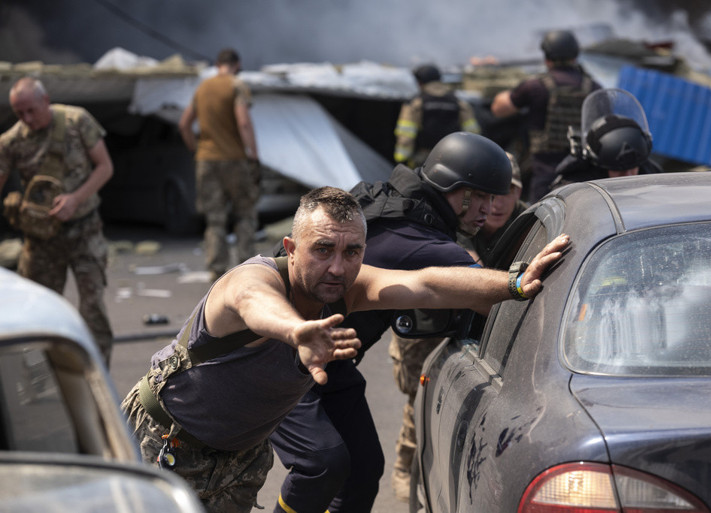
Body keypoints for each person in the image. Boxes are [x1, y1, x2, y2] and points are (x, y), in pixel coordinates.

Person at [121, 185, 569, 513]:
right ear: (291, 248)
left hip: (239, 461)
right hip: (165, 444)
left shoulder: (346, 288)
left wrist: (512, 283)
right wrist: (297, 332)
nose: (338, 266)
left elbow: (426, 283)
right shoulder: (251, 279)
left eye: (352, 251)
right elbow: (253, 304)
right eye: (323, 250)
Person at [270, 132, 521, 511]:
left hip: (331, 361)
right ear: (454, 189)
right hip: (283, 355)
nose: (489, 207)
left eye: (494, 197)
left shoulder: (388, 200)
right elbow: (492, 299)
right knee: (322, 464)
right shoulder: (419, 239)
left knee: (363, 468)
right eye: (481, 196)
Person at [0, 77, 115, 365]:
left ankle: (97, 375)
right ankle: (39, 381)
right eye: (19, 113)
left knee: (93, 309)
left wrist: (75, 198)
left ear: (46, 100)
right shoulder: (12, 141)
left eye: (31, 110)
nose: (26, 119)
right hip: (42, 241)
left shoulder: (78, 122)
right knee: (36, 314)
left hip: (85, 231)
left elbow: (105, 167)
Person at [179, 47, 261, 282]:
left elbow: (185, 124)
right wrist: (253, 154)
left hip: (206, 161)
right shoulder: (236, 85)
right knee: (244, 213)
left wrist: (196, 149)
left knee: (214, 219)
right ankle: (247, 267)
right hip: (234, 161)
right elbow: (243, 123)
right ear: (237, 64)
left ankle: (216, 270)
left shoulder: (202, 88)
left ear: (217, 65)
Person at [491, 29, 601, 203]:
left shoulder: (535, 86)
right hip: (584, 178)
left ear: (547, 57)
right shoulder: (594, 88)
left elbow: (499, 109)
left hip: (545, 177)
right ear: (575, 55)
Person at [550, 88, 663, 191]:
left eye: (633, 168)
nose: (629, 176)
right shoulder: (574, 188)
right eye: (620, 171)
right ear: (600, 165)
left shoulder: (651, 174)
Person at [393, 64, 481, 167]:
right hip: (453, 159)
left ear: (420, 82)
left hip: (424, 159)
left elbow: (406, 137)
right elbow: (473, 134)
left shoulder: (415, 103)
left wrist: (401, 161)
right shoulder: (458, 102)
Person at [472, 152, 529, 265]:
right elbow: (469, 269)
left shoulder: (529, 220)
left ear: (518, 193)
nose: (498, 204)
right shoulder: (463, 216)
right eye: (490, 193)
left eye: (506, 192)